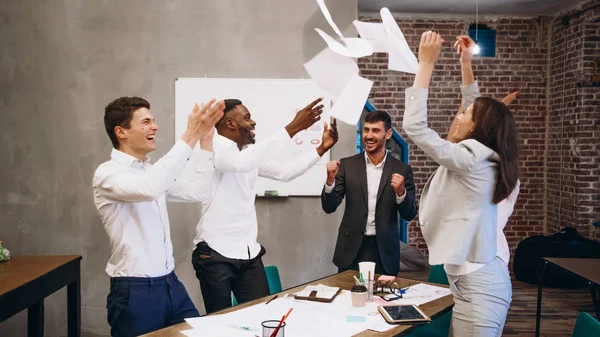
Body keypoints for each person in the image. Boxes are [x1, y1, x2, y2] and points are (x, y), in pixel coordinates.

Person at [402, 32, 519, 336]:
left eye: (464, 114)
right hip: (474, 282)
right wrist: (465, 63)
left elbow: (414, 126)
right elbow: (474, 107)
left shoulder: (471, 160)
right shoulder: (485, 159)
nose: (458, 116)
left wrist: (426, 63)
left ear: (478, 129)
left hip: (480, 288)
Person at [191, 98, 339, 314]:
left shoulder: (248, 156)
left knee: (261, 316)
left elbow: (285, 172)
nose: (254, 123)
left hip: (249, 252)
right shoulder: (212, 149)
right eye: (247, 117)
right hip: (214, 254)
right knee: (218, 324)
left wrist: (321, 148)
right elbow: (239, 164)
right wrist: (293, 127)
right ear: (230, 124)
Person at [93, 97, 224, 336]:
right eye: (145, 122)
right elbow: (148, 188)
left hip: (170, 284)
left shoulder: (151, 172)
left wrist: (205, 142)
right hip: (134, 290)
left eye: (153, 121)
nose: (154, 126)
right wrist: (190, 134)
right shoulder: (107, 174)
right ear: (121, 131)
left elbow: (199, 191)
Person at [321, 111, 417, 276]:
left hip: (384, 252)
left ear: (388, 134)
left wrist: (401, 192)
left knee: (383, 301)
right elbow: (329, 207)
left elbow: (409, 214)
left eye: (375, 130)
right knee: (346, 298)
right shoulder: (347, 165)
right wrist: (330, 182)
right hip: (351, 250)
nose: (369, 135)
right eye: (366, 130)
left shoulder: (402, 169)